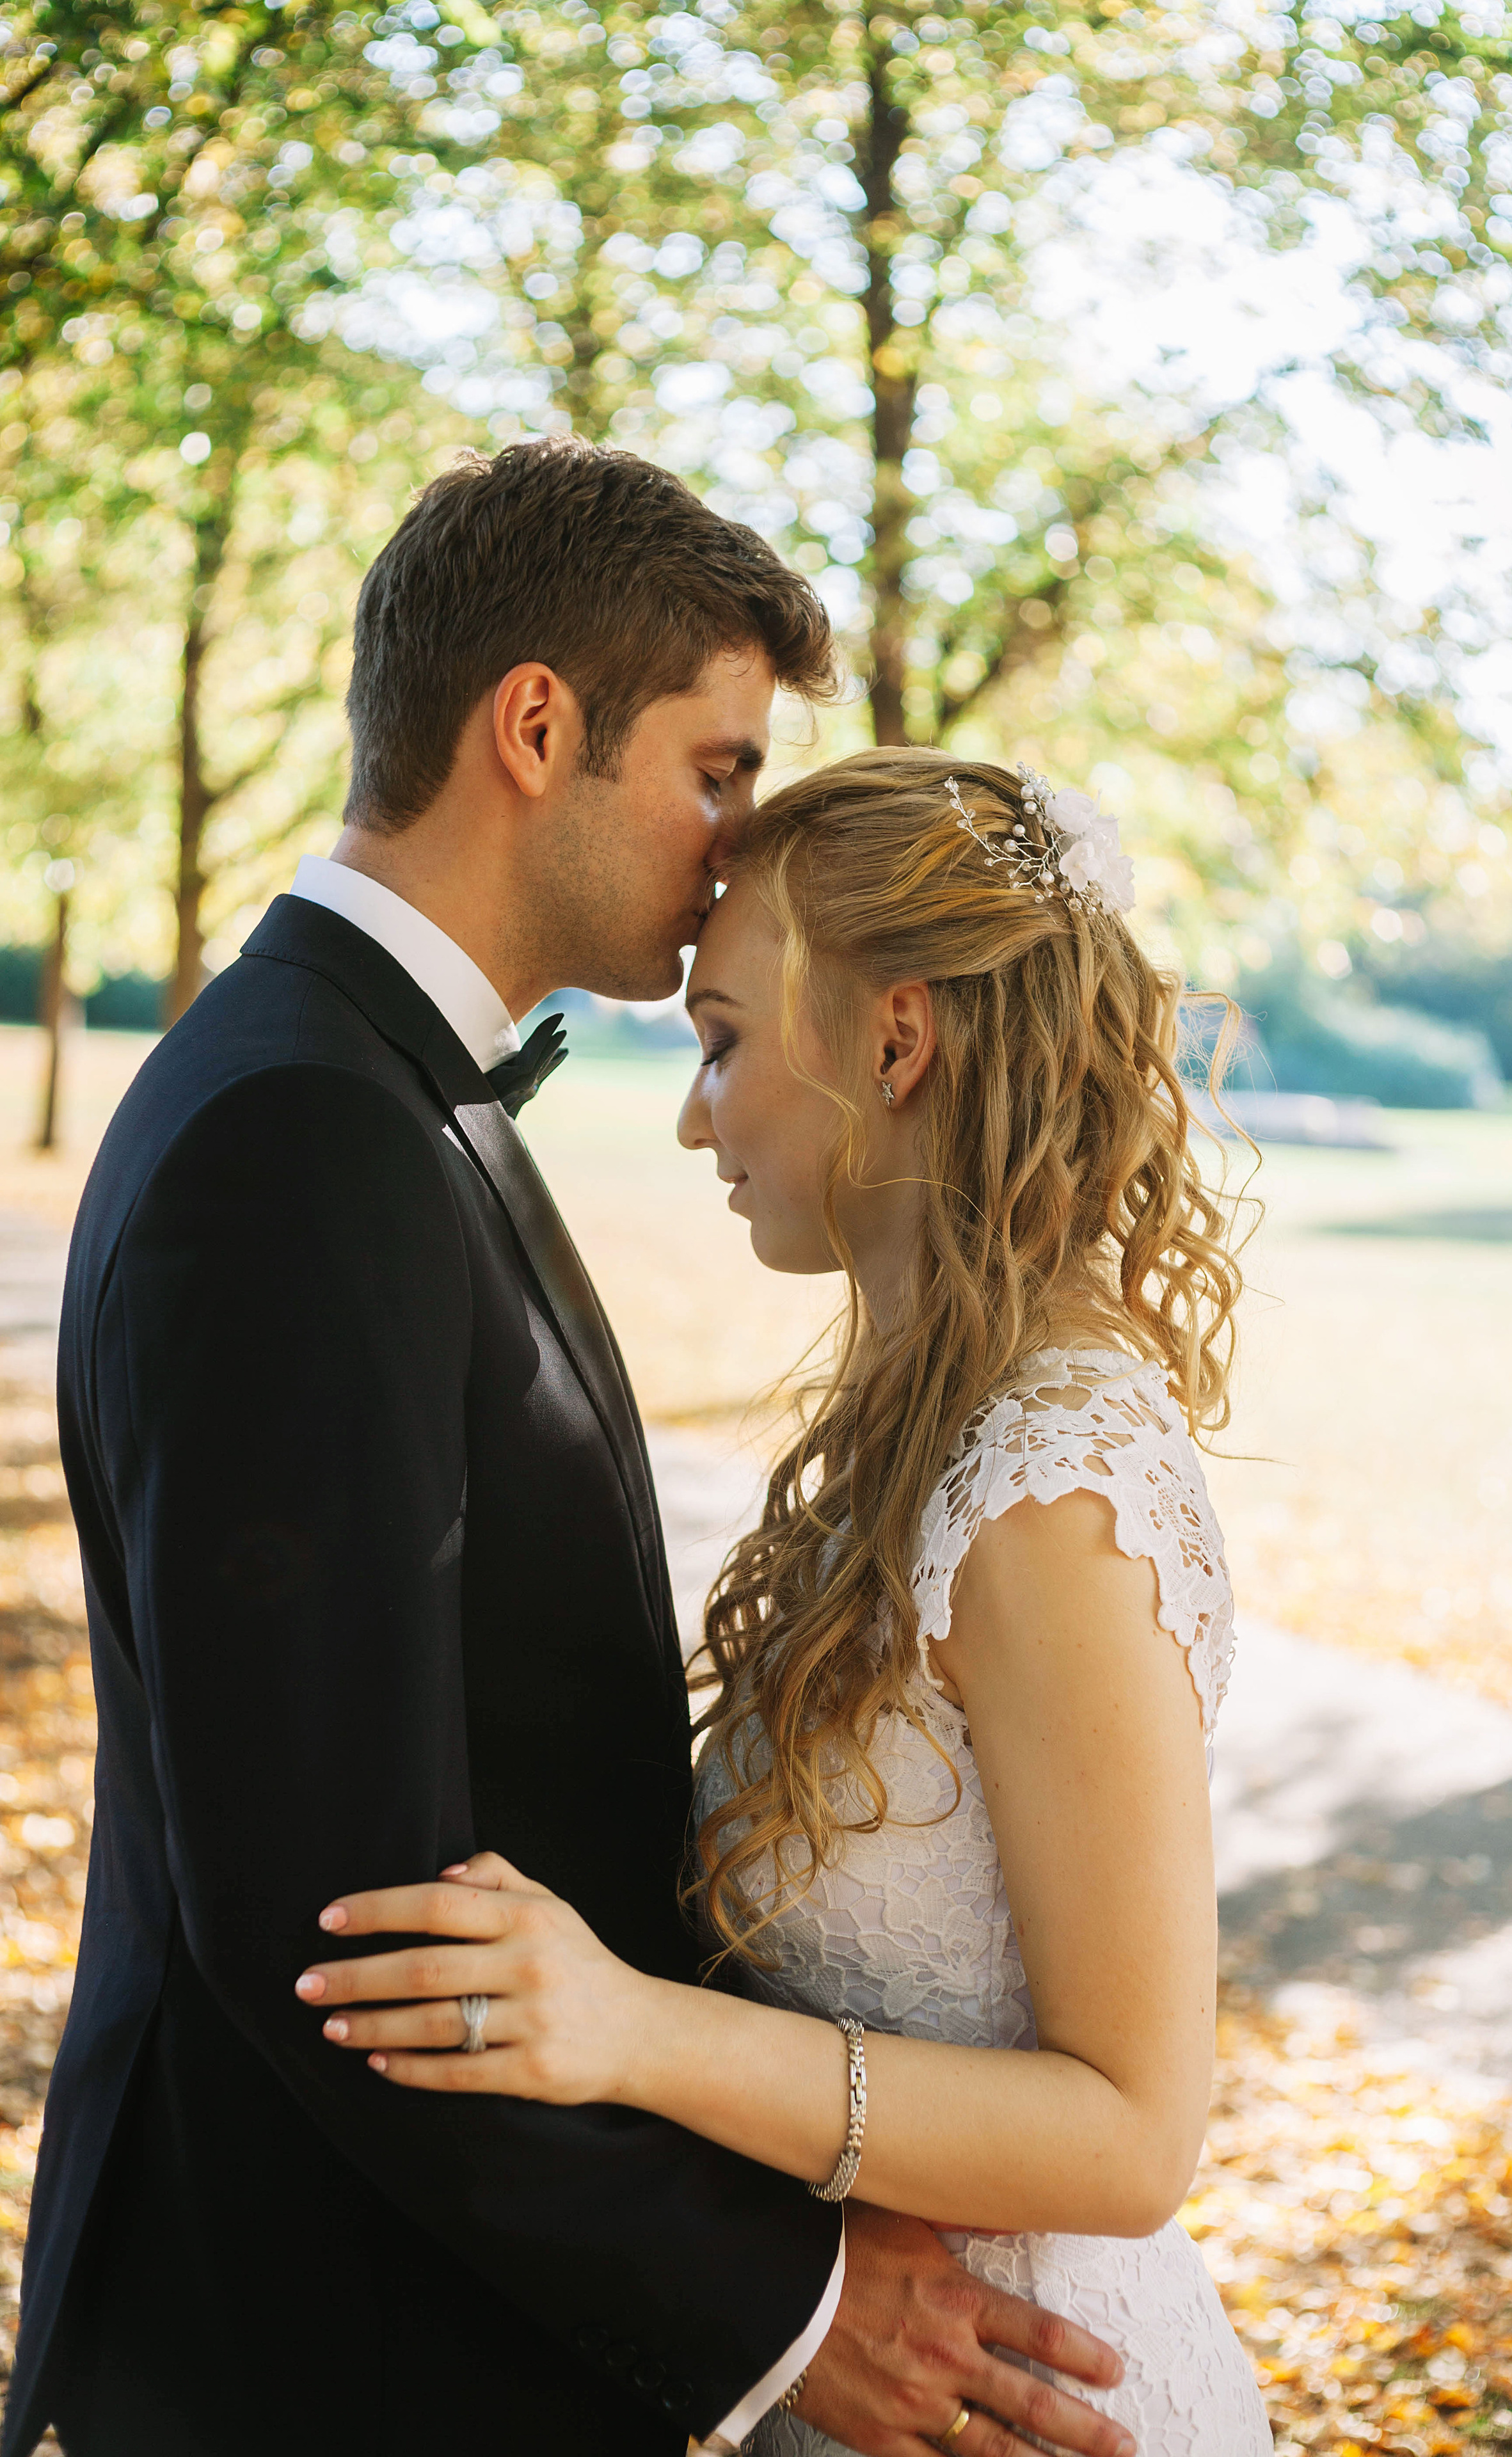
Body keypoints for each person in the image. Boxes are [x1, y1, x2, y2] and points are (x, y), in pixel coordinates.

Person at [11, 447, 1131, 2457]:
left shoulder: (367, 1097)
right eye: (714, 770)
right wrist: (777, 2307)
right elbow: (343, 1926)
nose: (737, 844)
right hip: (326, 2368)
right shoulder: (305, 1138)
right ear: (535, 726)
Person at [292, 747, 1275, 2457]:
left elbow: (1133, 2134)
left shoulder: (1054, 1489)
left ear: (896, 1041)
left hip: (1032, 2403)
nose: (694, 1115)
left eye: (725, 1040)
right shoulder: (920, 1434)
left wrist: (625, 2032)